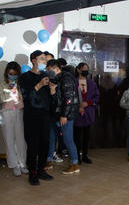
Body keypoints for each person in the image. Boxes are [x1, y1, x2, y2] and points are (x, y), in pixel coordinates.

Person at [19, 50, 54, 185]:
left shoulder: (47, 75)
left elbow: (52, 98)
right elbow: (26, 96)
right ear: (33, 60)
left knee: (45, 144)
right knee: (33, 145)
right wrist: (39, 85)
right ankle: (32, 173)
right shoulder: (25, 77)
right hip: (31, 116)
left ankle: (41, 170)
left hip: (45, 116)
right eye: (41, 59)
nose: (44, 62)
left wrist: (52, 89)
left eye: (45, 60)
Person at [45, 59, 80, 175]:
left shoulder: (66, 78)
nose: (48, 73)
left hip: (67, 114)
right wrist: (52, 90)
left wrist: (64, 115)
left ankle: (74, 164)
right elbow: (56, 100)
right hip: (55, 113)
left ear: (55, 68)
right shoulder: (54, 79)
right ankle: (48, 160)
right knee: (51, 137)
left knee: (67, 139)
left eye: (49, 70)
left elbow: (69, 99)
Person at [0, 62, 28, 176]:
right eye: (10, 73)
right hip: (6, 112)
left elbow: (24, 97)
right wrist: (9, 99)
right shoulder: (1, 84)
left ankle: (22, 163)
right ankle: (14, 165)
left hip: (19, 111)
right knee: (9, 139)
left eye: (15, 74)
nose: (12, 75)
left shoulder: (20, 84)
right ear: (7, 73)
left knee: (20, 139)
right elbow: (2, 98)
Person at [74, 62, 100, 164]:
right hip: (77, 113)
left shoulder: (92, 83)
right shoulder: (74, 82)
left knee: (86, 136)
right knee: (77, 136)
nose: (86, 70)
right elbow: (70, 97)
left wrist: (88, 103)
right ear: (78, 70)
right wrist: (77, 106)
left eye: (87, 68)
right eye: (83, 68)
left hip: (88, 113)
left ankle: (85, 155)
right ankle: (77, 156)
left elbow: (97, 97)